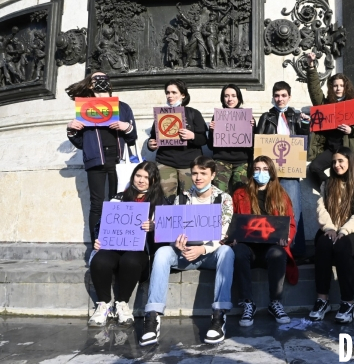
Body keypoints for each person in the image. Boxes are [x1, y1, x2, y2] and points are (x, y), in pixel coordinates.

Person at [140, 156, 234, 346]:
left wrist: (202, 248)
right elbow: (173, 227)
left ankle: (219, 315)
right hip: (183, 253)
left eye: (203, 173)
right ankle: (152, 315)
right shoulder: (181, 197)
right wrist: (177, 243)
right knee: (162, 253)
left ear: (213, 175)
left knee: (227, 252)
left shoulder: (223, 199)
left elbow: (223, 232)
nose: (198, 178)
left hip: (208, 254)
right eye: (195, 173)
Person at [88, 161, 165, 327]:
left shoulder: (160, 202)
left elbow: (167, 234)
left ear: (153, 180)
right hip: (114, 247)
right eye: (138, 175)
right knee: (100, 261)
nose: (141, 180)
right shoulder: (118, 198)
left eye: (146, 177)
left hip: (140, 251)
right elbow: (102, 225)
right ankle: (104, 305)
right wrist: (98, 239)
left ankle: (122, 303)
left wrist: (154, 227)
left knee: (130, 261)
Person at [66, 72, 137, 243]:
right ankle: (97, 246)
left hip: (118, 160)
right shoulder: (84, 108)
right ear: (90, 85)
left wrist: (126, 127)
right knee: (97, 205)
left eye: (104, 79)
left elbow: (132, 137)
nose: (100, 82)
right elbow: (81, 142)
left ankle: (116, 244)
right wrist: (71, 130)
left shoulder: (123, 107)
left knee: (118, 203)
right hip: (95, 160)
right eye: (96, 79)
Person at [231, 156, 297, 326]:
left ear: (272, 172)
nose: (261, 173)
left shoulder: (281, 195)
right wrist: (232, 238)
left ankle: (275, 302)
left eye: (265, 169)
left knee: (278, 254)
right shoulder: (240, 194)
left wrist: (287, 238)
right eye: (257, 169)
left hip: (271, 247)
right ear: (252, 172)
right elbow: (232, 222)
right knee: (238, 252)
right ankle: (248, 303)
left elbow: (290, 223)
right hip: (248, 248)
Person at [308, 147, 354, 324]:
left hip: (353, 233)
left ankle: (348, 303)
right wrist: (330, 228)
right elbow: (321, 208)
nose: (336, 165)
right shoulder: (326, 184)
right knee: (323, 244)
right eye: (334, 162)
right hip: (331, 230)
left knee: (343, 246)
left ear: (350, 162)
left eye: (340, 161)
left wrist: (344, 231)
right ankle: (322, 300)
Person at [255, 81, 309, 255]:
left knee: (293, 209)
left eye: (283, 95)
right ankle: (271, 249)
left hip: (290, 171)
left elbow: (304, 141)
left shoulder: (296, 116)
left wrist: (306, 124)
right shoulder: (266, 117)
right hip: (268, 173)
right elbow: (258, 141)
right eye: (277, 95)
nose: (280, 99)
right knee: (270, 208)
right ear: (273, 97)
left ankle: (296, 250)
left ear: (289, 97)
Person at [305, 52, 354, 183]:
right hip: (332, 149)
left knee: (353, 182)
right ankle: (329, 189)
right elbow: (315, 91)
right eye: (335, 86)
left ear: (346, 87)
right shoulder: (326, 105)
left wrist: (351, 131)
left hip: (350, 150)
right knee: (314, 168)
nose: (338, 88)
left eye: (341, 86)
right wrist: (311, 66)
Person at [148, 79, 208, 201]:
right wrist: (151, 144)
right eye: (168, 92)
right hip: (165, 162)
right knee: (166, 199)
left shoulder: (193, 113)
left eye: (174, 92)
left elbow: (203, 139)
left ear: (183, 95)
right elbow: (153, 137)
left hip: (189, 164)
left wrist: (193, 136)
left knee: (190, 199)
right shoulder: (161, 114)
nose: (170, 96)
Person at [207, 84, 254, 193]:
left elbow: (252, 143)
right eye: (226, 96)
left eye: (233, 95)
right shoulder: (217, 116)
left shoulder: (247, 117)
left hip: (242, 162)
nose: (230, 99)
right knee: (219, 193)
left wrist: (253, 127)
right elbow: (210, 145)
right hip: (221, 161)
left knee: (242, 194)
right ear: (222, 98)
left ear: (239, 98)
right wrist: (212, 131)